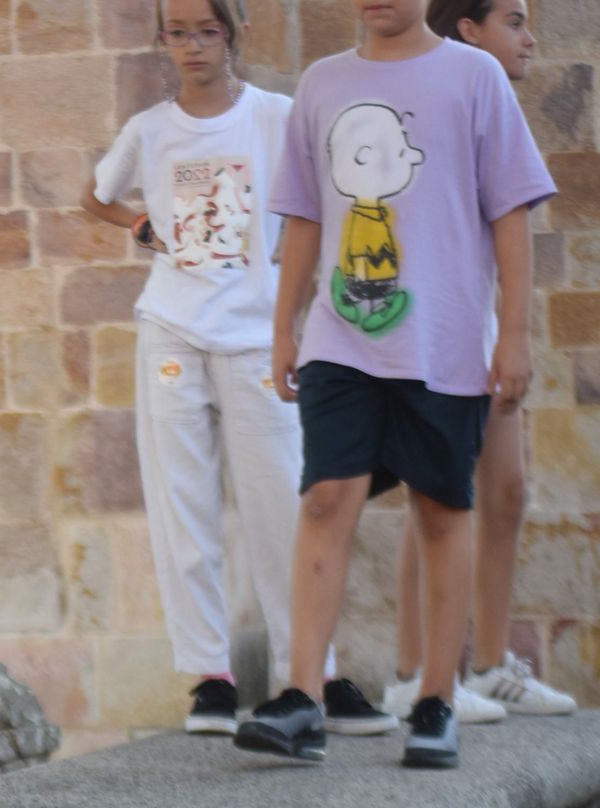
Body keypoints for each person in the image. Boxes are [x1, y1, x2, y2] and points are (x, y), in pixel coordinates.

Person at [234, 0, 556, 768]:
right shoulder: (322, 82)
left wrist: (513, 333)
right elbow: (304, 215)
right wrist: (284, 327)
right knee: (325, 497)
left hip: (444, 341)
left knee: (441, 510)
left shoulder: (475, 77)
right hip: (340, 340)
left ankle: (436, 699)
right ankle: (303, 697)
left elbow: (510, 213)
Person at [81, 0, 359, 737]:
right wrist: (139, 225)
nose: (194, 47)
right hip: (171, 330)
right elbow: (96, 196)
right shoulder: (149, 129)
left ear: (234, 34)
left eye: (208, 31)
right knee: (183, 503)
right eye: (179, 33)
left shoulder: (277, 117)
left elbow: (324, 200)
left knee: (282, 503)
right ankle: (210, 677)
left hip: (257, 335)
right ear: (162, 40)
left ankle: (312, 674)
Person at [380, 0, 576, 721]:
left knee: (507, 490)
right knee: (433, 493)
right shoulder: (431, 91)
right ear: (469, 28)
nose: (530, 40)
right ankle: (411, 676)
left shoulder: (486, 96)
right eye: (514, 22)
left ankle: (490, 666)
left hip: (478, 322)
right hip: (430, 330)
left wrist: (509, 330)